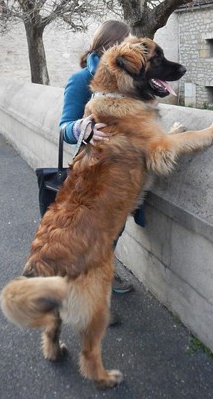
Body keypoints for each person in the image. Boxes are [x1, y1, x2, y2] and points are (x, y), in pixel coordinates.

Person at [58, 20, 144, 295]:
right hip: (94, 173)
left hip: (122, 171)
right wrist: (84, 128)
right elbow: (64, 128)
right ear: (109, 46)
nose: (132, 49)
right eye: (126, 44)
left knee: (112, 231)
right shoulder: (82, 79)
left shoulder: (127, 79)